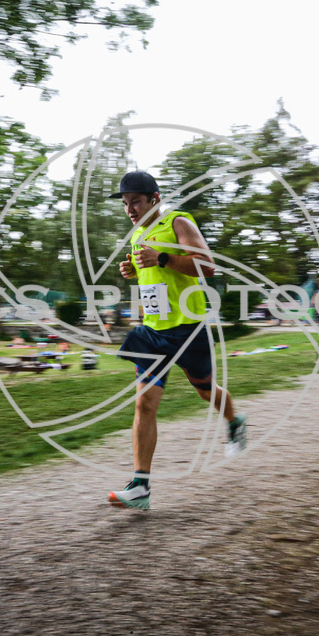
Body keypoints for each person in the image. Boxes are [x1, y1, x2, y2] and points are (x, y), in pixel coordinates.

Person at [108, 171, 246, 510]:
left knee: (205, 391)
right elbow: (155, 277)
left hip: (188, 328)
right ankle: (141, 487)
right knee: (144, 403)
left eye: (136, 202)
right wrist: (134, 271)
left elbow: (208, 266)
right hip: (153, 332)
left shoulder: (178, 221)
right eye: (126, 204)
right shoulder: (138, 235)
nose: (130, 210)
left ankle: (234, 421)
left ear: (154, 198)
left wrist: (163, 258)